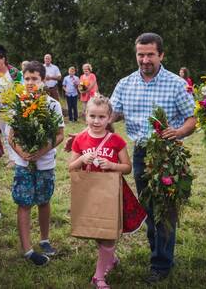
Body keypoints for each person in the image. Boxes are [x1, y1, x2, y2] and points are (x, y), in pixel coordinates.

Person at [110, 33, 195, 283]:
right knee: (148, 205)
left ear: (161, 55)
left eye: (150, 54)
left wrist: (178, 132)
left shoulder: (175, 84)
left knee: (166, 209)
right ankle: (158, 251)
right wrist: (94, 128)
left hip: (168, 154)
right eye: (141, 54)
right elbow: (112, 113)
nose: (145, 59)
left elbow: (192, 118)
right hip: (140, 153)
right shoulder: (125, 83)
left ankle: (161, 263)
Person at [69, 95, 132, 289]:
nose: (96, 121)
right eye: (92, 116)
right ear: (85, 116)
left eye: (101, 117)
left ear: (109, 118)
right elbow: (71, 167)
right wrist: (82, 160)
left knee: (108, 233)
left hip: (109, 193)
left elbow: (127, 167)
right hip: (89, 193)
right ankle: (110, 260)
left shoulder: (116, 141)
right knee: (98, 231)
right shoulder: (80, 139)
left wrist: (112, 165)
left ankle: (99, 276)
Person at [8, 61, 64, 266]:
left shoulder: (52, 104)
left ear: (43, 80)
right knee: (24, 202)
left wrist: (42, 151)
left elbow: (59, 135)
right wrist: (22, 153)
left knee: (43, 200)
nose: (30, 83)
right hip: (23, 163)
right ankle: (27, 249)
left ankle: (45, 239)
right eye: (27, 79)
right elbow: (11, 135)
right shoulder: (18, 103)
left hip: (45, 162)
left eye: (35, 79)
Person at [0, 44, 22, 166]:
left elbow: (20, 88)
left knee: (11, 132)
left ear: (3, 59)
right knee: (4, 132)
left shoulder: (14, 72)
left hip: (12, 108)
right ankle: (12, 157)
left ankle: (15, 159)